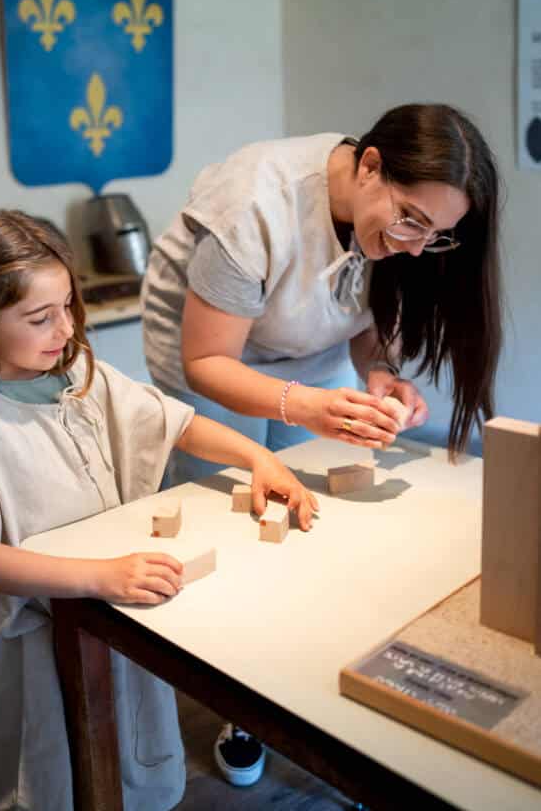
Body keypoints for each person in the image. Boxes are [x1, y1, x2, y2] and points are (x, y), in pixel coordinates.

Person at [0, 209, 317, 811]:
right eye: (40, 317)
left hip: (114, 613)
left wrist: (258, 458)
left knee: (129, 743)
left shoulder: (83, 377)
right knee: (45, 766)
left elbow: (178, 423)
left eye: (67, 306)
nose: (64, 329)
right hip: (35, 639)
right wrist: (100, 575)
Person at [142, 102, 502, 782]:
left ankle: (294, 674)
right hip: (209, 355)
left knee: (306, 509)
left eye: (437, 234)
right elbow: (207, 361)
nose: (416, 245)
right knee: (236, 517)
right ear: (368, 166)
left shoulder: (398, 227)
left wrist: (380, 372)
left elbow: (360, 305)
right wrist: (301, 405)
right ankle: (238, 701)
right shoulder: (252, 207)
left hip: (301, 354)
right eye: (409, 221)